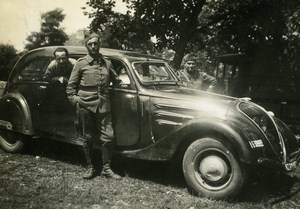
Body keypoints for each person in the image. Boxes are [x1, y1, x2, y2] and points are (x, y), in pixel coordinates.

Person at [66, 31, 122, 180]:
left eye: (95, 43)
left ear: (99, 44)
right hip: (85, 105)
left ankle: (106, 169)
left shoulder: (107, 62)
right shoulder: (81, 63)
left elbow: (117, 80)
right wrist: (76, 100)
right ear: (86, 46)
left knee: (108, 137)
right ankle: (90, 167)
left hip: (103, 105)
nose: (93, 46)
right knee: (88, 137)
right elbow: (70, 87)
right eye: (90, 44)